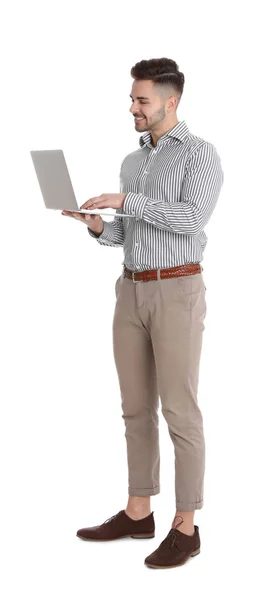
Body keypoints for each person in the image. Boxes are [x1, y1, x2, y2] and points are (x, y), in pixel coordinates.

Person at [62, 57, 224, 569]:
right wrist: (96, 227)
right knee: (135, 408)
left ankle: (186, 526)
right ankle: (138, 511)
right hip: (130, 291)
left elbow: (190, 219)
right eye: (133, 98)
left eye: (141, 99)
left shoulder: (200, 154)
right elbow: (127, 235)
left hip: (177, 292)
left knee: (180, 411)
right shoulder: (133, 162)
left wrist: (128, 201)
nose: (132, 106)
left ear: (170, 102)